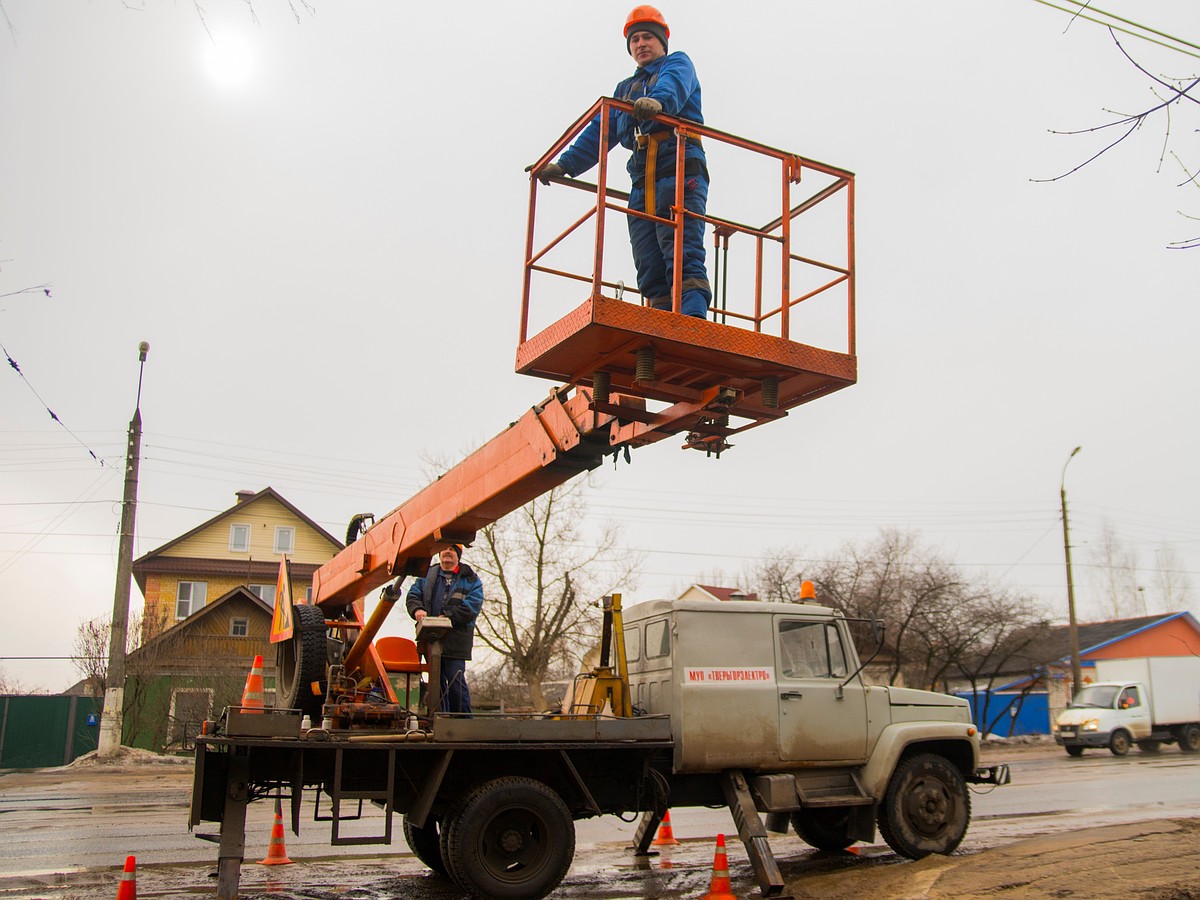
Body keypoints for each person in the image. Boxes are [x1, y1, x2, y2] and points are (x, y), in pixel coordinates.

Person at [539, 5, 711, 319]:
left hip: (679, 169)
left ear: (662, 42)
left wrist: (657, 103)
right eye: (634, 40)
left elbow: (672, 87)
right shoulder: (625, 90)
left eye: (647, 37)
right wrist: (565, 165)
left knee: (682, 247)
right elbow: (600, 133)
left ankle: (692, 322)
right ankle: (661, 320)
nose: (641, 44)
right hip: (642, 180)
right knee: (648, 258)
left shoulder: (677, 63)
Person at [405, 542, 484, 715]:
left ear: (458, 555)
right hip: (431, 638)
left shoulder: (470, 580)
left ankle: (462, 721)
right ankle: (439, 719)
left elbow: (472, 607)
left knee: (455, 681)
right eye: (444, 548)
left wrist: (448, 617)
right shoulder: (426, 576)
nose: (447, 552)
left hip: (456, 641)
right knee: (436, 684)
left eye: (452, 549)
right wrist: (417, 609)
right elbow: (413, 595)